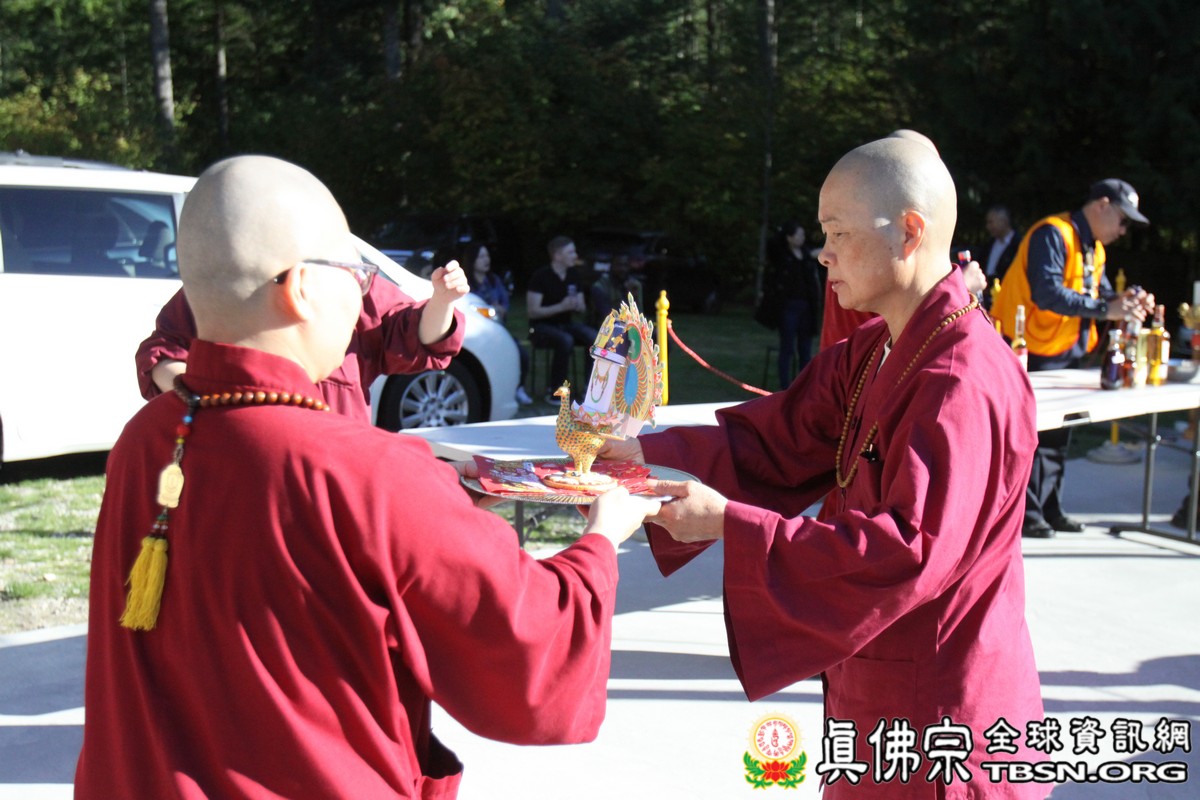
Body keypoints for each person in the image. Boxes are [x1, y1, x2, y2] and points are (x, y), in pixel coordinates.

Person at [75, 155, 660, 798]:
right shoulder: (371, 473)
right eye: (357, 273)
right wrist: (601, 539)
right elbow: (530, 662)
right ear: (300, 288)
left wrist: (431, 495)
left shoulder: (147, 440)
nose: (362, 292)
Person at [603, 136, 1048, 798]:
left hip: (941, 709)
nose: (823, 252)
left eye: (839, 232)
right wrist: (644, 458)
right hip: (874, 688)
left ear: (910, 232)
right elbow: (778, 439)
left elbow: (908, 550)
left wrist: (729, 524)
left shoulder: (962, 378)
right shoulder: (878, 347)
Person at [135, 228, 469, 424]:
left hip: (336, 462)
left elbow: (412, 336)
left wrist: (442, 301)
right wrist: (205, 398)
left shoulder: (349, 283)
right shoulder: (226, 284)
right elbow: (163, 351)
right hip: (242, 457)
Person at [993, 178, 1152, 538]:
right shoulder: (1052, 233)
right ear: (1102, 205)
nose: (1123, 230)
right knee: (1029, 436)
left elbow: (1101, 294)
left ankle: (1050, 508)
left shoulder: (1092, 247)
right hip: (1027, 349)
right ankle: (1027, 514)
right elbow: (1047, 293)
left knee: (1058, 436)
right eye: (1123, 220)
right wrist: (1107, 309)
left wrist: (1125, 301)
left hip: (1064, 350)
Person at [461, 240, 533, 405]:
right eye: (481, 257)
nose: (486, 260)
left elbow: (504, 304)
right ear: (472, 260)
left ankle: (518, 388)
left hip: (498, 330)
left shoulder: (494, 281)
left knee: (521, 353)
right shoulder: (466, 284)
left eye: (487, 256)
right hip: (475, 332)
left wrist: (500, 309)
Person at [526, 236, 597, 402]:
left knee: (594, 338)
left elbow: (582, 307)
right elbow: (533, 312)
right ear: (557, 256)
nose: (575, 256)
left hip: (566, 323)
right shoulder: (541, 277)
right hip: (542, 326)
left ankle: (591, 389)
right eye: (570, 252)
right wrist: (561, 306)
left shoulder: (573, 275)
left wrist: (578, 305)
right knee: (565, 340)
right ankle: (555, 391)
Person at [764, 219, 822, 387]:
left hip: (806, 307)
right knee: (787, 348)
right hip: (788, 307)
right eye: (798, 235)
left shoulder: (806, 255)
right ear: (789, 237)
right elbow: (772, 244)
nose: (802, 238)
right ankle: (785, 386)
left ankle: (803, 386)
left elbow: (816, 254)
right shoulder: (782, 255)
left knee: (805, 349)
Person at [589, 253, 644, 329]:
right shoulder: (601, 286)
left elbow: (640, 315)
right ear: (612, 266)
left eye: (625, 265)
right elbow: (608, 316)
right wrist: (626, 296)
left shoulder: (634, 285)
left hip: (631, 327)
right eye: (619, 265)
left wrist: (634, 297)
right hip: (604, 329)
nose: (622, 269)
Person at [982, 204, 1020, 284]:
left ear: (1003, 221)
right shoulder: (988, 245)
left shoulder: (1019, 244)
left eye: (991, 222)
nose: (988, 227)